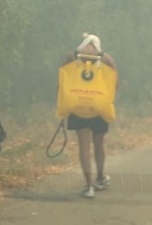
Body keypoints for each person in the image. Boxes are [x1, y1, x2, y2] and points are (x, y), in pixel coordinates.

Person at [60, 33, 117, 198]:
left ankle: (88, 186)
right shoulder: (106, 58)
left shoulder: (71, 57)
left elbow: (62, 81)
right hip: (99, 107)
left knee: (83, 145)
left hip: (78, 107)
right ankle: (100, 178)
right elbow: (115, 83)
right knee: (99, 143)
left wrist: (64, 104)